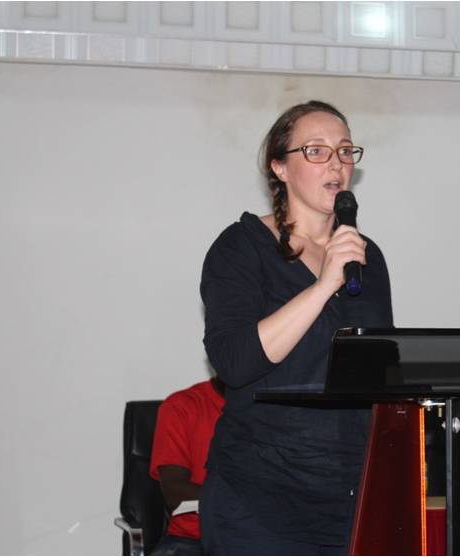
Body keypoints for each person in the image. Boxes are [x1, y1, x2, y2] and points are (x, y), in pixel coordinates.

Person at [198, 100, 394, 555]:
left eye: (345, 150)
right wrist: (324, 286)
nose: (336, 163)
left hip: (348, 496)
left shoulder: (366, 256)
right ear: (279, 168)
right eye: (316, 150)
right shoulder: (241, 247)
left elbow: (377, 370)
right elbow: (234, 363)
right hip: (258, 501)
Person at [149, 377, 225, 555]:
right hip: (193, 541)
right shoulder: (182, 406)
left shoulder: (275, 409)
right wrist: (241, 500)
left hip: (265, 538)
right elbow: (174, 492)